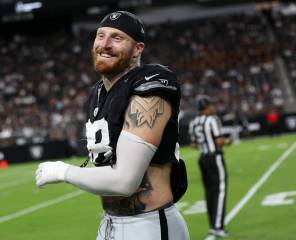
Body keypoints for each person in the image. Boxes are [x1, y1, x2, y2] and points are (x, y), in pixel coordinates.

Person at [35, 11, 189, 240]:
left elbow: (125, 181)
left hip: (149, 225)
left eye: (117, 38)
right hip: (110, 224)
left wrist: (63, 171)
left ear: (138, 48)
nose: (104, 44)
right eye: (100, 36)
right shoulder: (99, 93)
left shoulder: (151, 86)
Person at [188, 95, 232, 238]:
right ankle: (218, 226)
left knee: (209, 192)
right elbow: (219, 141)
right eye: (210, 105)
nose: (212, 107)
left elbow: (193, 145)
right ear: (206, 107)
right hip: (214, 157)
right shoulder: (212, 120)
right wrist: (228, 141)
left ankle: (213, 224)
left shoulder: (194, 122)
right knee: (220, 191)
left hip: (203, 158)